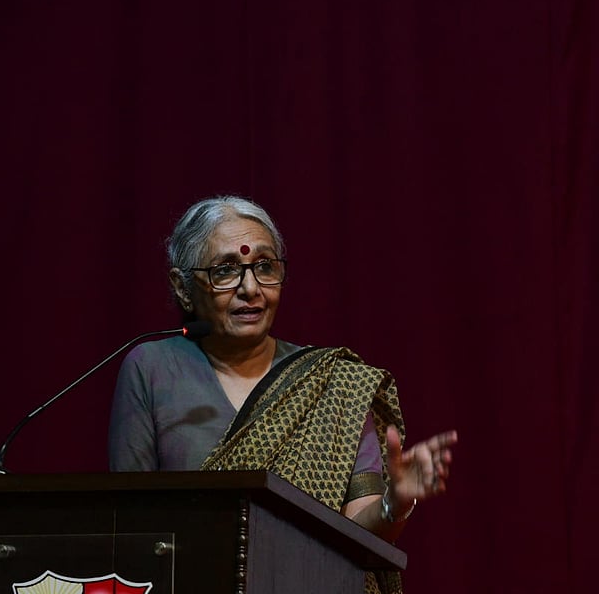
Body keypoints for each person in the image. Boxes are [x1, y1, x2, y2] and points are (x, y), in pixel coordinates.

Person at [108, 195, 457, 593]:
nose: (250, 288)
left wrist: (395, 502)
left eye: (264, 267)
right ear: (183, 287)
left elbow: (359, 533)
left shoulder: (334, 383)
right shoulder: (152, 368)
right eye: (226, 270)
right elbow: (130, 527)